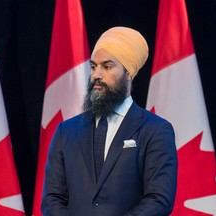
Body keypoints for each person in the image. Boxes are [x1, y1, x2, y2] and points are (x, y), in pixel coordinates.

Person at [41, 26, 178, 216]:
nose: (97, 75)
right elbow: (52, 199)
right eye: (93, 66)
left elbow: (159, 199)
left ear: (128, 73)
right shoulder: (66, 131)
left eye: (107, 66)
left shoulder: (155, 130)